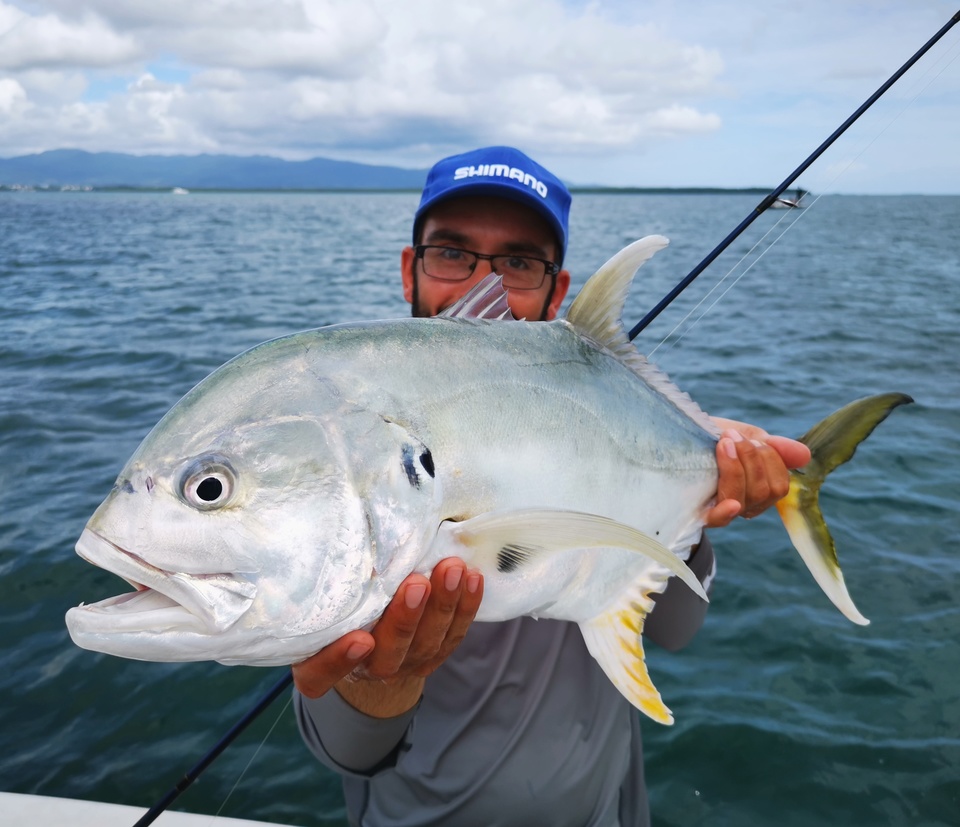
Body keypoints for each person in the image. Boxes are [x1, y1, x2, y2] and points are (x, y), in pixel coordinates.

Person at [292, 146, 811, 826]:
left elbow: (676, 628)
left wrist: (706, 500)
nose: (483, 286)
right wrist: (379, 676)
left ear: (557, 290)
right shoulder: (353, 437)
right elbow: (347, 751)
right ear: (409, 269)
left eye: (517, 262)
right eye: (451, 253)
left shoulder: (607, 424)